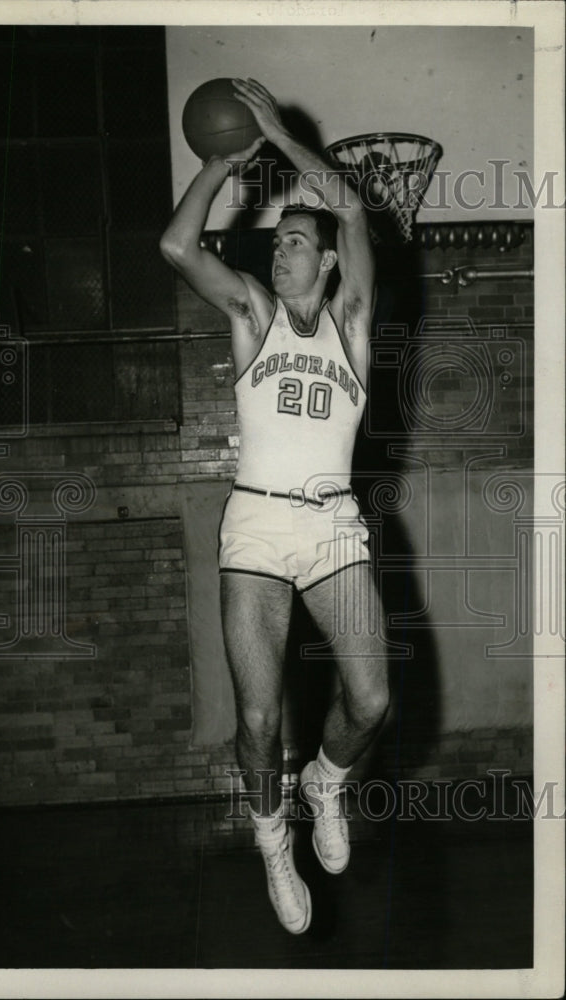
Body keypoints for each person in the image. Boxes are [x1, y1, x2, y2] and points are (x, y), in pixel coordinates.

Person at [160, 78, 389, 935]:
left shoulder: (351, 324)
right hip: (257, 522)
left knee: (370, 702)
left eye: (295, 241)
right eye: (278, 242)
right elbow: (179, 246)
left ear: (326, 262)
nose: (280, 251)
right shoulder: (252, 315)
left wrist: (278, 136)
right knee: (258, 715)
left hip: (332, 523)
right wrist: (222, 163)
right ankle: (269, 837)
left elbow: (354, 213)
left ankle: (326, 783)